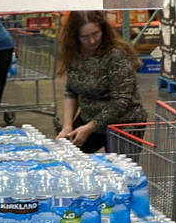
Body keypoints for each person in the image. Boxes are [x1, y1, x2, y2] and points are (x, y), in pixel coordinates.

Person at [56, 11, 147, 153]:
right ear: (75, 36)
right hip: (89, 119)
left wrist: (89, 128)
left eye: (95, 34)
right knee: (68, 156)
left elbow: (121, 100)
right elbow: (71, 91)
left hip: (124, 122)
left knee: (119, 170)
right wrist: (67, 126)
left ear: (103, 30)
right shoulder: (74, 53)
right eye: (85, 37)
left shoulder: (116, 55)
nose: (92, 41)